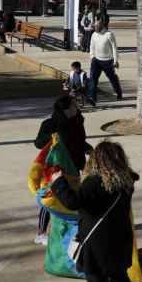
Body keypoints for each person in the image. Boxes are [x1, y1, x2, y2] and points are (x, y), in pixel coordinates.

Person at [49, 140, 142, 282]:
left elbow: (72, 202)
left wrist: (58, 181)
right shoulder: (127, 181)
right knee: (121, 279)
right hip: (120, 241)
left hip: (96, 246)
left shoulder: (93, 183)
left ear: (97, 161)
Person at [33, 95, 91, 245]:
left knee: (72, 198)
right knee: (50, 199)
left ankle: (72, 226)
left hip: (75, 165)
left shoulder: (77, 121)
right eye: (74, 105)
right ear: (66, 109)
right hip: (56, 169)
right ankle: (41, 233)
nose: (77, 107)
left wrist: (90, 150)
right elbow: (39, 143)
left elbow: (79, 141)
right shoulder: (50, 124)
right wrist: (52, 136)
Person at [88, 21, 122, 105]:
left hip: (108, 61)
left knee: (112, 78)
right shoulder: (94, 34)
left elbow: (114, 48)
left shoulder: (109, 34)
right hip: (96, 61)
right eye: (94, 26)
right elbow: (91, 46)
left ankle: (118, 93)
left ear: (101, 26)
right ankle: (93, 97)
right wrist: (92, 57)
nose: (95, 28)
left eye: (96, 26)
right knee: (93, 79)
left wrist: (115, 61)